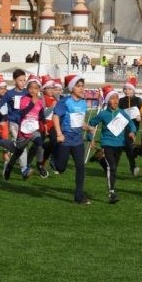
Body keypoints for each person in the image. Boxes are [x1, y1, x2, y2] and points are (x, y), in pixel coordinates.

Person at [89, 85, 137, 204]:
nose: (115, 100)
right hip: (107, 144)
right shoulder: (103, 114)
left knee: (112, 169)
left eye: (117, 98)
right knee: (112, 167)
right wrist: (91, 138)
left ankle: (100, 159)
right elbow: (91, 124)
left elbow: (131, 124)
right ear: (107, 100)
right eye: (112, 98)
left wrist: (132, 131)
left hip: (119, 145)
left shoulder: (122, 113)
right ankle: (112, 193)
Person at [0, 74, 46, 180]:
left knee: (40, 143)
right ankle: (9, 166)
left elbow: (41, 114)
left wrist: (44, 124)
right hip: (23, 130)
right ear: (27, 89)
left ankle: (39, 165)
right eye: (31, 88)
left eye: (36, 88)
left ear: (39, 89)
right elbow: (23, 111)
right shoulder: (24, 99)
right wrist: (32, 103)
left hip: (33, 129)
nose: (33, 90)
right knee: (19, 152)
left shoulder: (40, 101)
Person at [52, 74, 92, 205]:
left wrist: (87, 127)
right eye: (78, 86)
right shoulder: (65, 102)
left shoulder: (83, 103)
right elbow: (56, 116)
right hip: (65, 139)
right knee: (61, 168)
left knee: (81, 167)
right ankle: (52, 154)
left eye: (82, 86)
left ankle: (78, 196)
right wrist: (59, 134)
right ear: (71, 88)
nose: (81, 89)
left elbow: (79, 121)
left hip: (78, 141)